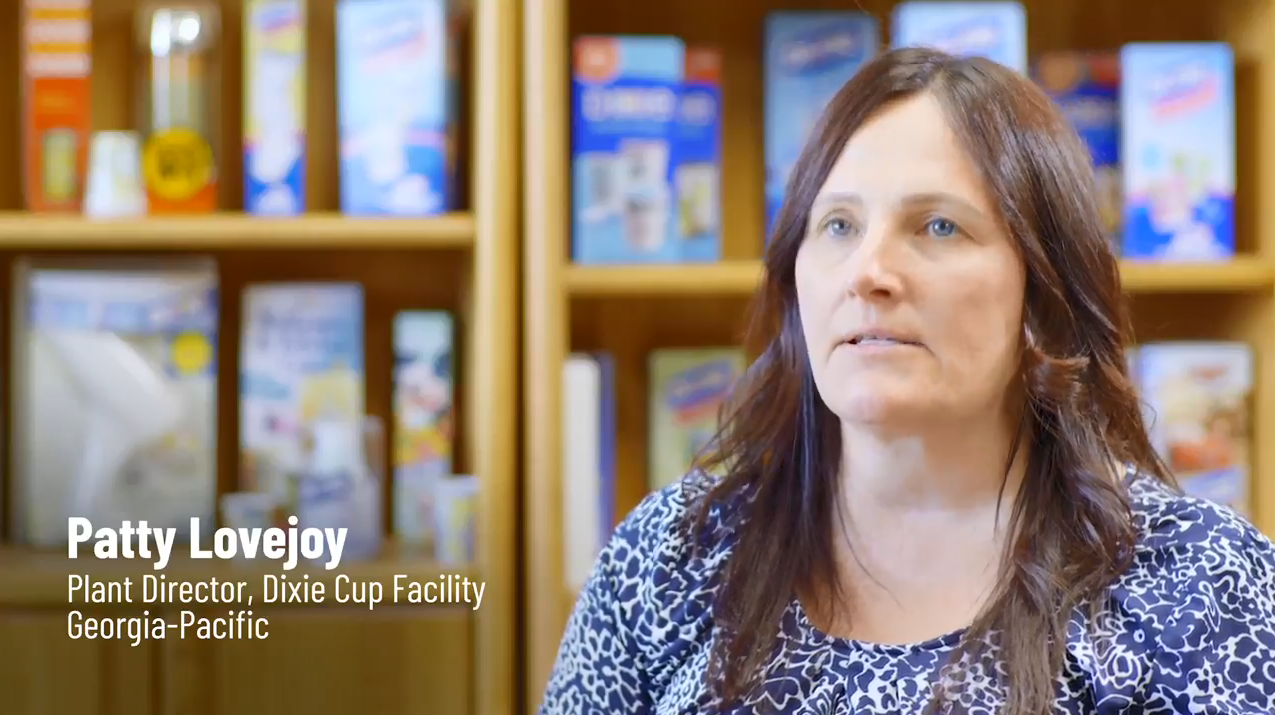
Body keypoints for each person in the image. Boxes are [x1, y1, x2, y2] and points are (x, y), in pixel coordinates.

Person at [538, 47, 1275, 715]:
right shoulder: (671, 553)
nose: (867, 272)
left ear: (1042, 295)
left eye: (937, 227)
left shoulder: (1201, 585)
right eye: (836, 225)